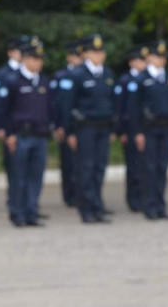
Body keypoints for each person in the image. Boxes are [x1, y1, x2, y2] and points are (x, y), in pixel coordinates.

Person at [59, 34, 116, 224]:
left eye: (101, 52)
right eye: (94, 52)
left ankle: (97, 206)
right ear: (85, 54)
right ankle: (86, 209)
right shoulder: (77, 75)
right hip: (85, 129)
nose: (98, 55)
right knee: (86, 169)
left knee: (99, 168)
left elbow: (111, 103)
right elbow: (67, 106)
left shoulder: (107, 74)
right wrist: (70, 131)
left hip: (103, 127)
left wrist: (113, 128)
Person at [0, 38, 52, 227]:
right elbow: (3, 110)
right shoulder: (12, 81)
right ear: (25, 59)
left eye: (40, 59)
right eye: (35, 58)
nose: (38, 62)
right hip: (20, 135)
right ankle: (17, 213)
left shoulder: (44, 81)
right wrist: (8, 133)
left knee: (35, 177)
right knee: (18, 177)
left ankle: (31, 211)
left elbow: (49, 108)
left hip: (39, 135)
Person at [130, 40, 168, 220]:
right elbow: (134, 108)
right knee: (149, 169)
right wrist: (138, 132)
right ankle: (149, 206)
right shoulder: (141, 80)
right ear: (149, 57)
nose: (161, 60)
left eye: (163, 57)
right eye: (157, 56)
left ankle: (160, 205)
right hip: (148, 130)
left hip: (166, 129)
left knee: (162, 168)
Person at [0, 35, 30, 216]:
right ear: (11, 52)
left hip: (26, 128)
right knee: (14, 168)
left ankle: (27, 204)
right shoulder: (3, 74)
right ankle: (15, 204)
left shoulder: (27, 73)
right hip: (10, 128)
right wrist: (0, 127)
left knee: (27, 171)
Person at [50, 41, 83, 208]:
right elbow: (57, 103)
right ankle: (69, 194)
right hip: (66, 124)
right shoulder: (61, 76)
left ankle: (81, 194)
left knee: (83, 163)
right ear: (69, 57)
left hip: (82, 125)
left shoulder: (85, 75)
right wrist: (58, 125)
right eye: (76, 56)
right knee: (68, 162)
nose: (78, 59)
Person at [115, 46, 147, 212]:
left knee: (145, 166)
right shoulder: (125, 80)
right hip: (131, 129)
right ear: (131, 62)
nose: (142, 63)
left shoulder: (148, 79)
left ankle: (144, 197)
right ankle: (133, 199)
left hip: (146, 128)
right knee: (133, 165)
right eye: (139, 60)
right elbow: (121, 109)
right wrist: (122, 131)